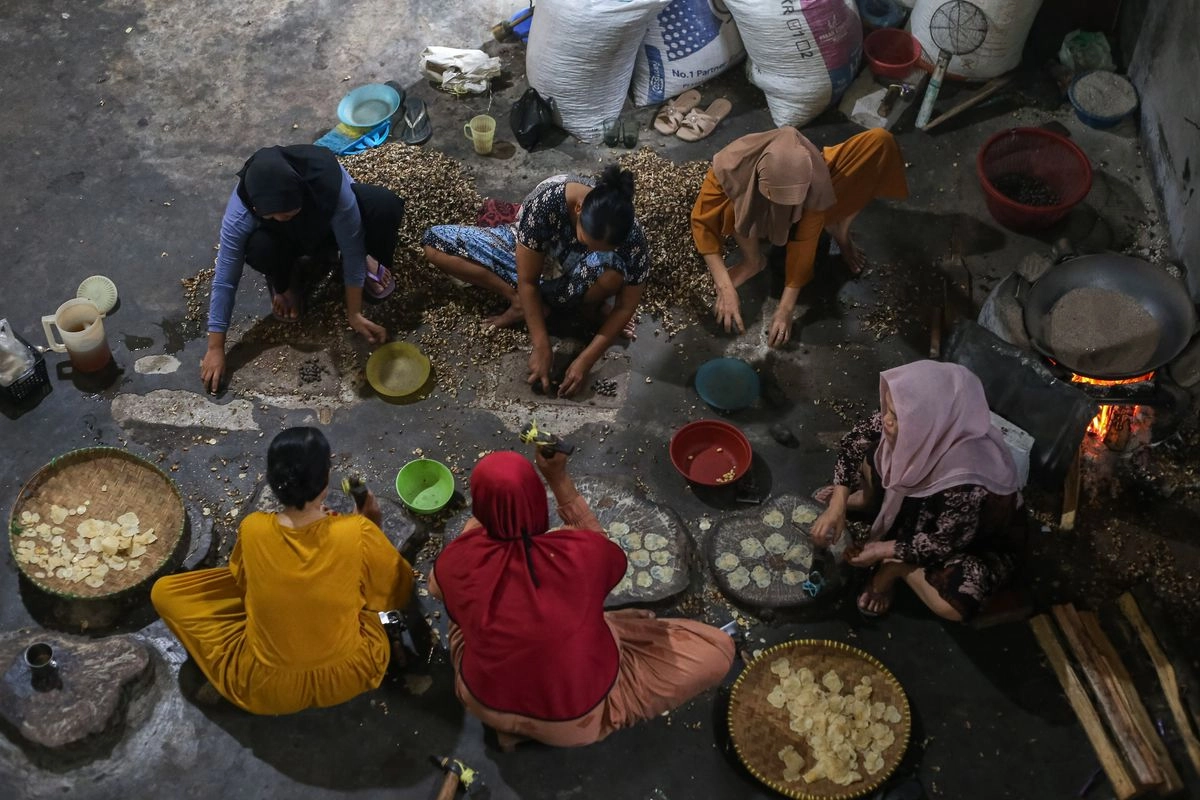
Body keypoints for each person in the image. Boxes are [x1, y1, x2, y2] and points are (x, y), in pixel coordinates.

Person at [430, 449, 734, 748]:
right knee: (718, 649)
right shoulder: (577, 555)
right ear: (537, 500)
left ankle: (511, 733)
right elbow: (602, 547)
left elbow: (435, 588)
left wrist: (482, 550)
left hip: (480, 698)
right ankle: (556, 729)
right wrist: (558, 478)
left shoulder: (456, 560)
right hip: (571, 722)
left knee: (462, 612)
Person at [150, 427, 414, 713]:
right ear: (326, 480)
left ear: (273, 482)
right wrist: (371, 525)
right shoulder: (358, 532)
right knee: (364, 596)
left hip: (266, 689)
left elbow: (242, 582)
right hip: (349, 675)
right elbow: (396, 592)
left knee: (164, 592)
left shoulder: (253, 529)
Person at [810, 361, 1024, 622]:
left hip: (962, 537)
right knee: (875, 450)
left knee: (954, 603)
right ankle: (867, 499)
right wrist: (837, 506)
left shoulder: (966, 483)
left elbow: (941, 543)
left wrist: (881, 551)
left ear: (929, 425)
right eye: (889, 408)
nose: (886, 419)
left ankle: (896, 570)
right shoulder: (912, 422)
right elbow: (853, 443)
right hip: (920, 504)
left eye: (897, 416)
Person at [421, 166, 650, 397]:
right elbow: (528, 280)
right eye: (587, 242)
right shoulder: (546, 203)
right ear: (578, 209)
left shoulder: (633, 237)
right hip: (530, 258)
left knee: (615, 273)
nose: (593, 251)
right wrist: (541, 345)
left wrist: (586, 360)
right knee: (434, 243)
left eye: (602, 249)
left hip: (573, 276)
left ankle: (588, 308)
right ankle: (520, 302)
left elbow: (625, 307)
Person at [200, 145, 406, 392]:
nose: (284, 218)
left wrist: (355, 313)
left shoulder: (328, 184)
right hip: (284, 243)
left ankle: (364, 258)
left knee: (383, 205)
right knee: (259, 248)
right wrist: (215, 348)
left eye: (289, 213)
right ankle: (287, 279)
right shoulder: (240, 213)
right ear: (256, 209)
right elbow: (225, 278)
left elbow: (351, 247)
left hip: (329, 227)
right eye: (276, 216)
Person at [690, 127, 908, 347]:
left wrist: (785, 309)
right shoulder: (729, 168)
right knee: (729, 206)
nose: (784, 210)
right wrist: (724, 287)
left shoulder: (814, 184)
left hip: (802, 211)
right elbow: (702, 222)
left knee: (880, 143)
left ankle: (839, 229)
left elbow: (804, 245)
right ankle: (753, 261)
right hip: (753, 210)